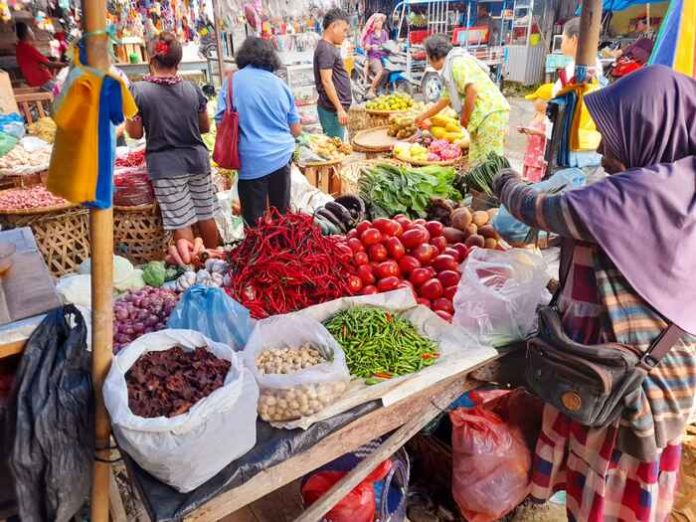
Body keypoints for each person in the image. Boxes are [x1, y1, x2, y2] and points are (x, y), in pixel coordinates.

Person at [492, 65, 696, 522]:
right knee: (621, 491)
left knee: (604, 490)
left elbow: (540, 209)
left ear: (651, 129)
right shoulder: (682, 186)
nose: (602, 148)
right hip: (655, 371)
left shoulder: (639, 195)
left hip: (623, 384)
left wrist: (502, 181)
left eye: (613, 136)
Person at [126, 32, 218, 248]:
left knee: (181, 221)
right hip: (197, 160)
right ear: (178, 61)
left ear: (151, 59)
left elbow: (136, 133)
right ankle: (215, 258)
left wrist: (131, 116)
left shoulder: (138, 91)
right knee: (206, 214)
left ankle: (193, 268)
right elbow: (204, 127)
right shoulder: (193, 89)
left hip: (166, 167)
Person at [215, 37, 301, 226]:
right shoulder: (280, 84)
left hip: (250, 160)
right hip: (281, 156)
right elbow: (295, 130)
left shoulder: (231, 82)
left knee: (255, 223)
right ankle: (284, 252)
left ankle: (257, 253)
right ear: (270, 58)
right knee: (282, 217)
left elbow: (220, 124)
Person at [415, 34, 510, 166]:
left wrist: (465, 118)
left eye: (427, 58)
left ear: (434, 56)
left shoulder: (457, 63)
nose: (428, 62)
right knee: (476, 163)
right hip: (480, 118)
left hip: (490, 113)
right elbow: (444, 100)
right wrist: (423, 116)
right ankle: (477, 187)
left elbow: (472, 89)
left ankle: (496, 187)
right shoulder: (449, 72)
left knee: (490, 164)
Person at [313, 8, 351, 139]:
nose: (346, 34)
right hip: (332, 111)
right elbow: (326, 81)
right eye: (344, 30)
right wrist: (339, 108)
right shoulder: (326, 49)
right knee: (336, 151)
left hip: (333, 110)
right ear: (334, 27)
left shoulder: (328, 47)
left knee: (337, 147)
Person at [553, 17, 605, 96]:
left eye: (563, 39)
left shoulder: (577, 69)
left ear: (573, 40)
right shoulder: (595, 62)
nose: (561, 44)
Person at [15, 22, 67, 91]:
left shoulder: (20, 47)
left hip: (39, 82)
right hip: (43, 83)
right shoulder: (27, 48)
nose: (33, 33)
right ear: (27, 34)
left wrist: (43, 64)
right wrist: (66, 64)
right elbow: (50, 64)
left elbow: (41, 63)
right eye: (31, 31)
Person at [518, 83, 552, 182]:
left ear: (546, 102)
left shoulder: (549, 119)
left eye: (536, 99)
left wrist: (537, 132)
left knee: (532, 186)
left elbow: (550, 137)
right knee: (524, 183)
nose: (533, 102)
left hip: (538, 161)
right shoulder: (537, 114)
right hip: (529, 157)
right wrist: (525, 130)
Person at [360, 13, 388, 99]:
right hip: (373, 57)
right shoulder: (370, 35)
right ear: (374, 24)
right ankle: (371, 90)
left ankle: (380, 88)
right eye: (377, 21)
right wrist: (371, 46)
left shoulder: (384, 33)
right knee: (380, 71)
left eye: (381, 21)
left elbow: (388, 43)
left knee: (388, 71)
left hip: (384, 57)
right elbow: (367, 46)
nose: (380, 23)